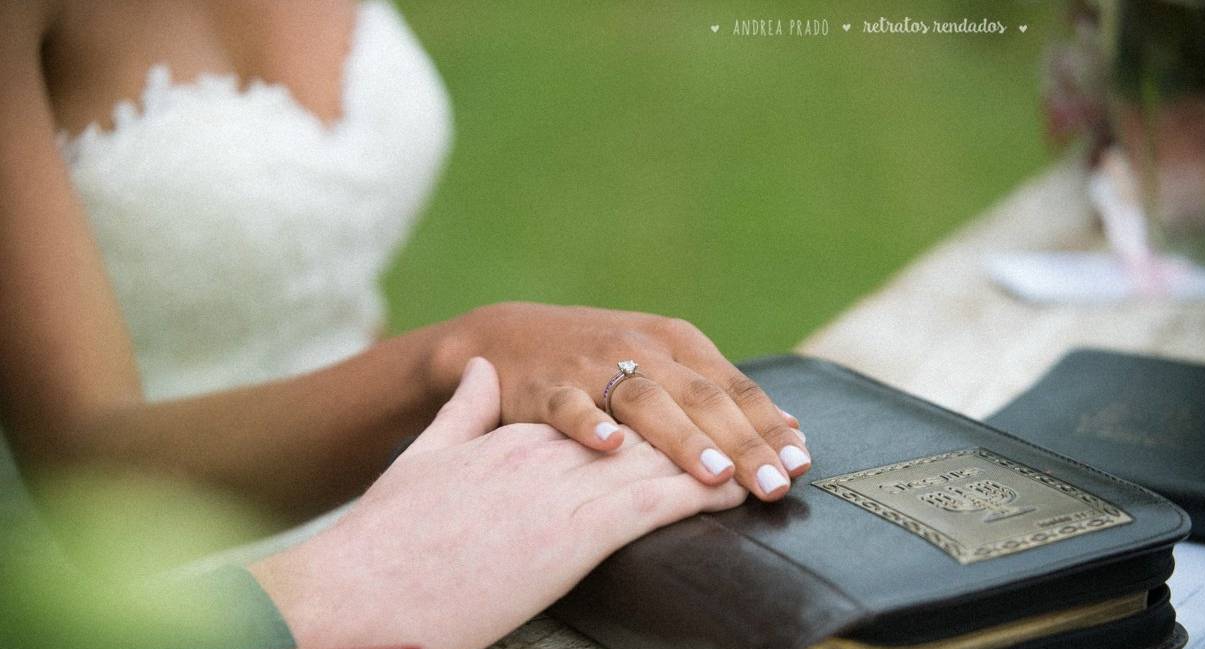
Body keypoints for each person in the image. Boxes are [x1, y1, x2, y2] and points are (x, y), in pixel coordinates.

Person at [0, 0, 812, 564]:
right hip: (137, 613)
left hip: (375, 495)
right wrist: (456, 358)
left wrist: (489, 435)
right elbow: (86, 481)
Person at [1, 356, 746, 649]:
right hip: (136, 604)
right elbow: (75, 463)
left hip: (406, 496)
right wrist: (311, 596)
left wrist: (436, 465)